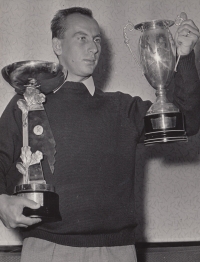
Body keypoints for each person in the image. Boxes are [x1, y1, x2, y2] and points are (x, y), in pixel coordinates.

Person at [0, 7, 200, 262]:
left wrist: (184, 58)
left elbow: (187, 122)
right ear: (57, 45)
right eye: (81, 38)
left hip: (118, 251)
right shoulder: (28, 102)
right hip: (47, 250)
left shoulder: (123, 108)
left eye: (97, 40)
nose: (93, 48)